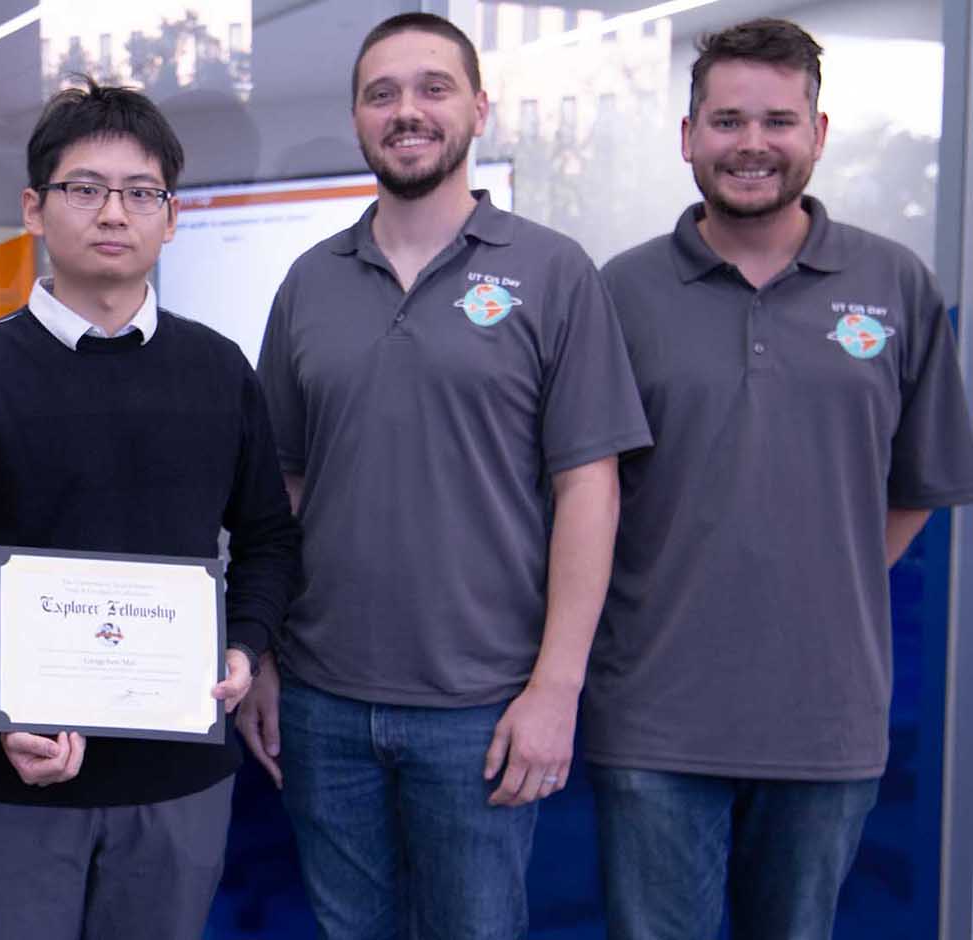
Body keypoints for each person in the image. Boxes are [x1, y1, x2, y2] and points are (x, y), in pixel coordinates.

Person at [238, 13, 652, 938]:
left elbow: (591, 488)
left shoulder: (552, 273)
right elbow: (281, 493)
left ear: (478, 108)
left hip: (484, 709)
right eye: (382, 93)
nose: (407, 111)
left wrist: (556, 687)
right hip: (320, 702)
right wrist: (260, 652)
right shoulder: (309, 282)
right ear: (357, 118)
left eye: (433, 87)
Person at [580, 18, 973, 939]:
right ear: (687, 138)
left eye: (778, 121)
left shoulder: (897, 284)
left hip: (825, 719)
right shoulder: (618, 292)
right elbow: (581, 490)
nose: (752, 143)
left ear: (818, 134)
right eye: (726, 121)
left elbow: (917, 484)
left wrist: (820, 582)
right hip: (653, 718)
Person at [0, 78, 300, 939]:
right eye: (85, 188)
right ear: (35, 209)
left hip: (178, 784)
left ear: (171, 215)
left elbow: (270, 538)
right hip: (13, 781)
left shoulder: (220, 370)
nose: (113, 212)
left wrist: (245, 644)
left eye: (140, 192)